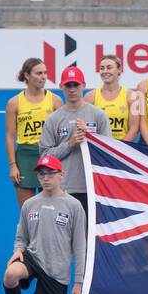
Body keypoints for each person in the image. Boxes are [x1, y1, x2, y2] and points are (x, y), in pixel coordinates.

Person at [0, 155, 87, 294]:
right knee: (10, 274)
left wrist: (78, 282)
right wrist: (17, 250)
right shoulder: (30, 204)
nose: (45, 178)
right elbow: (21, 236)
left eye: (50, 174)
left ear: (61, 175)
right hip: (33, 258)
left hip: (56, 270)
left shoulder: (74, 206)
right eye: (41, 175)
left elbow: (80, 247)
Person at [39, 66, 112, 217]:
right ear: (61, 87)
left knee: (87, 237)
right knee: (62, 237)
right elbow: (45, 156)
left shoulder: (98, 115)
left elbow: (108, 153)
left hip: (91, 187)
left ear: (84, 85)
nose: (72, 90)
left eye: (76, 85)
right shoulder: (54, 119)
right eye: (68, 85)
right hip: (63, 188)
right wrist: (70, 144)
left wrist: (91, 138)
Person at [5, 58, 61, 210]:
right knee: (27, 212)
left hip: (49, 156)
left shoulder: (55, 101)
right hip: (25, 158)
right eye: (38, 73)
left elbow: (62, 136)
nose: (43, 77)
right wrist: (13, 166)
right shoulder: (14, 103)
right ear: (27, 76)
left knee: (50, 211)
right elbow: (10, 137)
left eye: (45, 73)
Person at [87, 54, 142, 143]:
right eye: (102, 68)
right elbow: (86, 128)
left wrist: (119, 149)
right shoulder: (90, 97)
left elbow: (134, 129)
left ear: (119, 70)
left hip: (123, 149)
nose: (105, 71)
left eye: (109, 68)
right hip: (99, 150)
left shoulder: (132, 96)